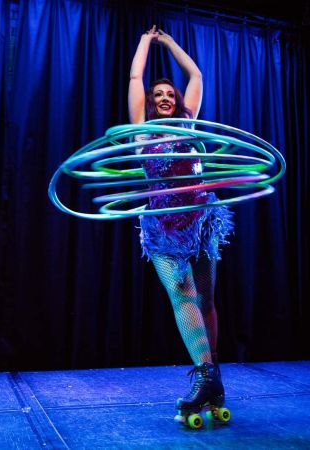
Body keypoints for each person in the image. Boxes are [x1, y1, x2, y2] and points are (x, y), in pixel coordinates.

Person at [128, 25, 234, 420]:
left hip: (202, 218)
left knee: (205, 297)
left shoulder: (188, 123)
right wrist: (145, 41)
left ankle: (213, 376)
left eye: (170, 94)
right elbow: (136, 77)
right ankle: (206, 375)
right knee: (181, 289)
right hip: (163, 225)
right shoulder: (140, 130)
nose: (166, 98)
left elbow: (197, 77)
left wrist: (170, 43)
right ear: (150, 103)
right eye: (159, 95)